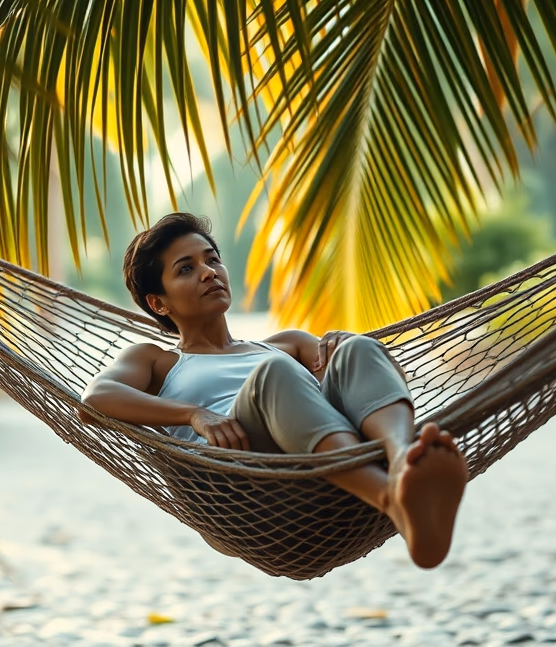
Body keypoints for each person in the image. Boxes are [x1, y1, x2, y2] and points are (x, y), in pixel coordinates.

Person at [81, 213, 468, 569]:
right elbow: (95, 400)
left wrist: (344, 346)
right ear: (158, 302)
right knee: (275, 373)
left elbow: (377, 381)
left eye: (212, 260)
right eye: (186, 269)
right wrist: (193, 414)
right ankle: (390, 497)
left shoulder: (287, 344)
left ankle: (402, 463)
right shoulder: (157, 360)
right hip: (239, 491)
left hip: (317, 473)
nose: (208, 273)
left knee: (358, 346)